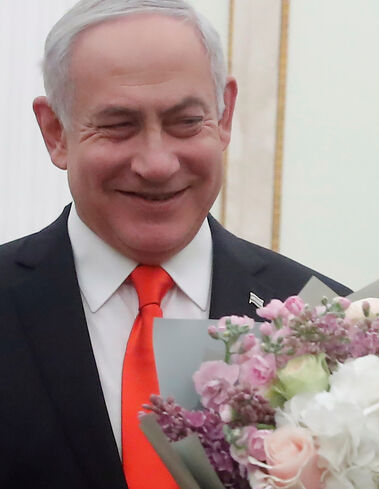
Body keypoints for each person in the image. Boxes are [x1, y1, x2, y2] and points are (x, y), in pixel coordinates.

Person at [0, 1, 350, 488]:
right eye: (119, 125)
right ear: (56, 132)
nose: (157, 162)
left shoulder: (332, 325)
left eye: (186, 121)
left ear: (224, 115)